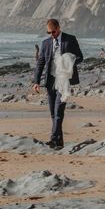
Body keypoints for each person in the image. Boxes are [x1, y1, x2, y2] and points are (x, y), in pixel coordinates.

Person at [32, 18, 84, 150]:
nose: (51, 35)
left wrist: (68, 63)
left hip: (63, 81)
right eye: (49, 32)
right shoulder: (45, 43)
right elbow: (40, 63)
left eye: (53, 32)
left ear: (59, 28)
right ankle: (59, 143)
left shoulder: (70, 39)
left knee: (58, 111)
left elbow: (80, 57)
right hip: (50, 81)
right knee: (53, 113)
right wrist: (36, 81)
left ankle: (53, 140)